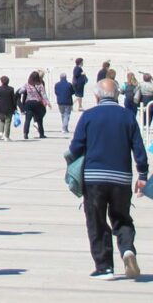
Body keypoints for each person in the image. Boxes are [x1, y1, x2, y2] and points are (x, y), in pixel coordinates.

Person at [68, 78, 148, 279]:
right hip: (121, 179)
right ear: (117, 95)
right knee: (122, 218)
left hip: (94, 178)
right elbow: (139, 148)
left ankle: (104, 267)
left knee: (96, 221)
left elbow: (75, 148)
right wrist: (143, 175)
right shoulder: (128, 116)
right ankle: (127, 249)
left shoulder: (89, 116)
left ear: (96, 96)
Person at [18, 71, 49, 139]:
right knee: (39, 120)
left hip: (29, 103)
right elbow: (44, 94)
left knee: (27, 120)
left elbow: (20, 91)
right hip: (38, 103)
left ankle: (25, 134)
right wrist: (47, 102)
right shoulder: (40, 85)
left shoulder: (27, 85)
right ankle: (41, 134)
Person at [0, 75, 17, 141]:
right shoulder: (11, 89)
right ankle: (6, 136)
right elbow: (13, 99)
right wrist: (15, 108)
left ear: (1, 82)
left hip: (0, 108)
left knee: (2, 120)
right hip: (9, 108)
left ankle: (1, 132)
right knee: (8, 122)